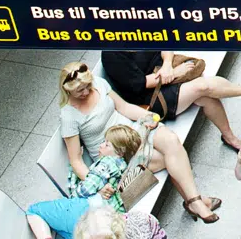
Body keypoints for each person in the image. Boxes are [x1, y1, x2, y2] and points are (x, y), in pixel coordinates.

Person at [56, 61, 221, 223]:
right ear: (67, 90)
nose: (86, 92)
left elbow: (125, 108)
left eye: (87, 86)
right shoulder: (69, 115)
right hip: (115, 153)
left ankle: (195, 202)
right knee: (169, 159)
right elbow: (76, 160)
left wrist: (149, 117)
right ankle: (196, 202)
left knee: (171, 141)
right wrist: (97, 185)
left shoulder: (98, 84)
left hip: (131, 131)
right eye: (80, 90)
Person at [25, 123, 141, 238]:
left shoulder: (107, 162)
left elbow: (83, 191)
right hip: (107, 218)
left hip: (85, 210)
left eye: (107, 144)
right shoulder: (125, 167)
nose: (101, 146)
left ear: (120, 152)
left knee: (34, 210)